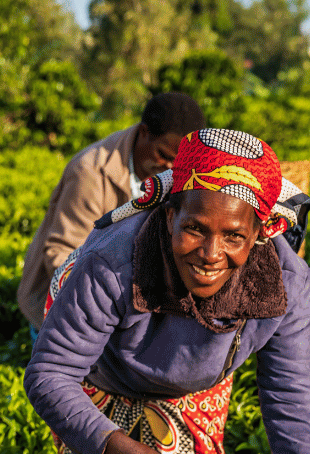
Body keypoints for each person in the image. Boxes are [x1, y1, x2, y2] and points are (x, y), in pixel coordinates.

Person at [24, 129, 310, 454]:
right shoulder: (113, 261)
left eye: (233, 236)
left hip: (196, 386)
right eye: (194, 228)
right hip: (100, 374)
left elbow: (291, 392)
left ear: (259, 234)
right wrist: (121, 449)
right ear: (169, 215)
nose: (211, 254)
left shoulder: (285, 284)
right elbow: (50, 375)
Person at [18, 92, 206, 334]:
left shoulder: (185, 173)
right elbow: (62, 254)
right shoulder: (90, 172)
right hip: (68, 312)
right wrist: (111, 298)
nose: (170, 168)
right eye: (163, 155)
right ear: (144, 132)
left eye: (179, 162)